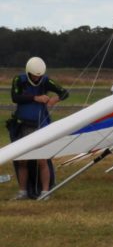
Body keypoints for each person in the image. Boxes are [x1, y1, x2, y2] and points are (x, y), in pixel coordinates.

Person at [9, 57, 69, 200]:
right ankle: (23, 191)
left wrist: (55, 99)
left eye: (40, 75)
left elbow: (65, 92)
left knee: (42, 160)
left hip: (41, 125)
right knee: (22, 159)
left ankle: (45, 192)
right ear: (29, 72)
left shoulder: (46, 81)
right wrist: (35, 98)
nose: (38, 78)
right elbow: (15, 97)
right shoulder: (19, 80)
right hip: (23, 125)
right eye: (35, 75)